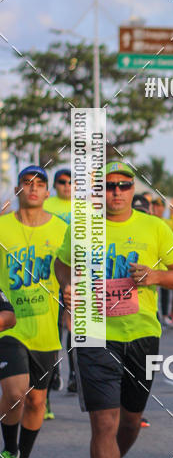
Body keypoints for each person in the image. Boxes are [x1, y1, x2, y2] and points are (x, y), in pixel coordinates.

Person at [54, 161, 173, 458]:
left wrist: (157, 276)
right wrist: (68, 290)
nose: (115, 192)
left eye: (123, 186)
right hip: (94, 333)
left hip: (142, 334)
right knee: (104, 421)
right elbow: (61, 265)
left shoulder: (155, 227)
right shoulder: (82, 228)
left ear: (133, 190)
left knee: (131, 421)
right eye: (108, 186)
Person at [0, 166, 68, 458]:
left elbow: (73, 270)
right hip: (9, 324)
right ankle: (7, 451)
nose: (33, 188)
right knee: (15, 393)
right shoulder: (1, 228)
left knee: (37, 401)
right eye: (27, 183)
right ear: (18, 189)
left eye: (40, 184)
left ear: (47, 192)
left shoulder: (62, 230)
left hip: (45, 328)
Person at [44, 168, 75, 402]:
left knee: (72, 323)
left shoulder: (83, 208)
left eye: (71, 182)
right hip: (48, 271)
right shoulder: (47, 205)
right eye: (62, 182)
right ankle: (52, 370)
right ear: (54, 186)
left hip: (75, 271)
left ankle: (74, 373)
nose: (67, 186)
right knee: (54, 325)